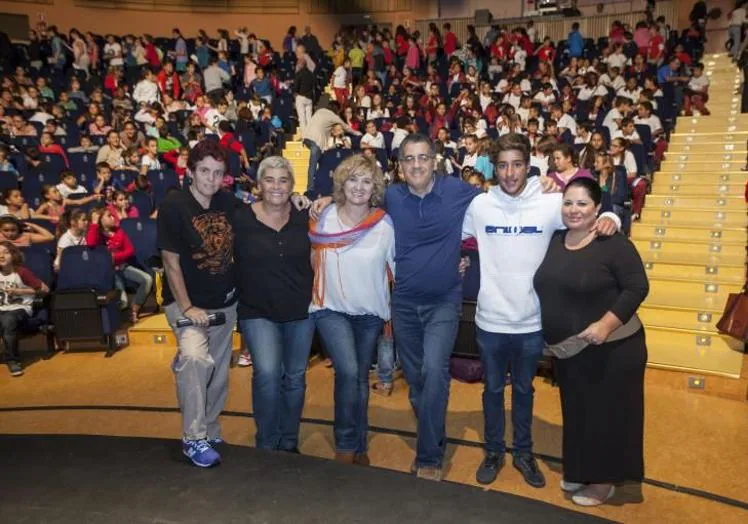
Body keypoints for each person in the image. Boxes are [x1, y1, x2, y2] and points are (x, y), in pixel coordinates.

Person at [461, 134, 620, 489]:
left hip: (531, 322)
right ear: (494, 168)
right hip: (489, 320)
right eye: (502, 165)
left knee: (523, 390)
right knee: (490, 391)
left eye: (517, 164)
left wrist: (611, 217)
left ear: (528, 165)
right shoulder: (481, 206)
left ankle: (523, 453)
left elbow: (587, 210)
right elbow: (450, 235)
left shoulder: (549, 202)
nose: (510, 172)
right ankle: (492, 452)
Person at [534, 177, 649, 506]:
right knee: (578, 413)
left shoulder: (611, 242)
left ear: (598, 208)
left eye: (582, 203)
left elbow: (637, 287)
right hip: (570, 352)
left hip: (613, 348)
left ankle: (603, 483)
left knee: (606, 416)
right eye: (568, 202)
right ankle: (581, 469)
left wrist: (604, 325)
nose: (574, 210)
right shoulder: (557, 239)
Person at [309, 154, 394, 465]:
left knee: (359, 378)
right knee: (347, 372)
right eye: (353, 179)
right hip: (330, 309)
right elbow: (312, 260)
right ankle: (345, 447)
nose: (359, 186)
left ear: (375, 187)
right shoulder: (323, 216)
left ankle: (359, 444)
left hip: (370, 313)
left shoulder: (384, 223)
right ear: (341, 184)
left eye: (366, 180)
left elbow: (396, 266)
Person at [158, 140, 238, 468]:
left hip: (224, 303)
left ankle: (210, 429)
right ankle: (193, 437)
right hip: (187, 305)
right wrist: (188, 308)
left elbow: (262, 214)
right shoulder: (174, 205)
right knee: (194, 359)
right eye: (204, 171)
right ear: (190, 171)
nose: (211, 179)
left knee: (218, 373)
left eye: (218, 173)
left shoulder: (228, 202)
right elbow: (170, 260)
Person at [235, 156, 315, 453]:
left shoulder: (305, 215)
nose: (276, 186)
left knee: (295, 378)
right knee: (267, 374)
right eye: (269, 179)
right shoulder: (241, 218)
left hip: (301, 310)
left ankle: (289, 442)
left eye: (283, 180)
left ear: (293, 186)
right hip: (257, 311)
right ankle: (267, 444)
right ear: (259, 184)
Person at [0, 241, 47, 377]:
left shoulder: (21, 272)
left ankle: (13, 360)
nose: (1, 256)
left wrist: (20, 291)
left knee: (8, 320)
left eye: (5, 253)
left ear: (13, 255)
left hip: (19, 310)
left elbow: (44, 289)